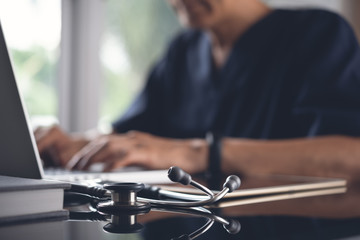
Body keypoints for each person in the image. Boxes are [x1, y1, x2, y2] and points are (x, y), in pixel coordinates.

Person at [35, 0, 360, 183]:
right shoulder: (183, 51)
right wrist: (75, 143)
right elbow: (131, 136)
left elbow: (351, 157)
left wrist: (198, 153)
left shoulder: (320, 35)